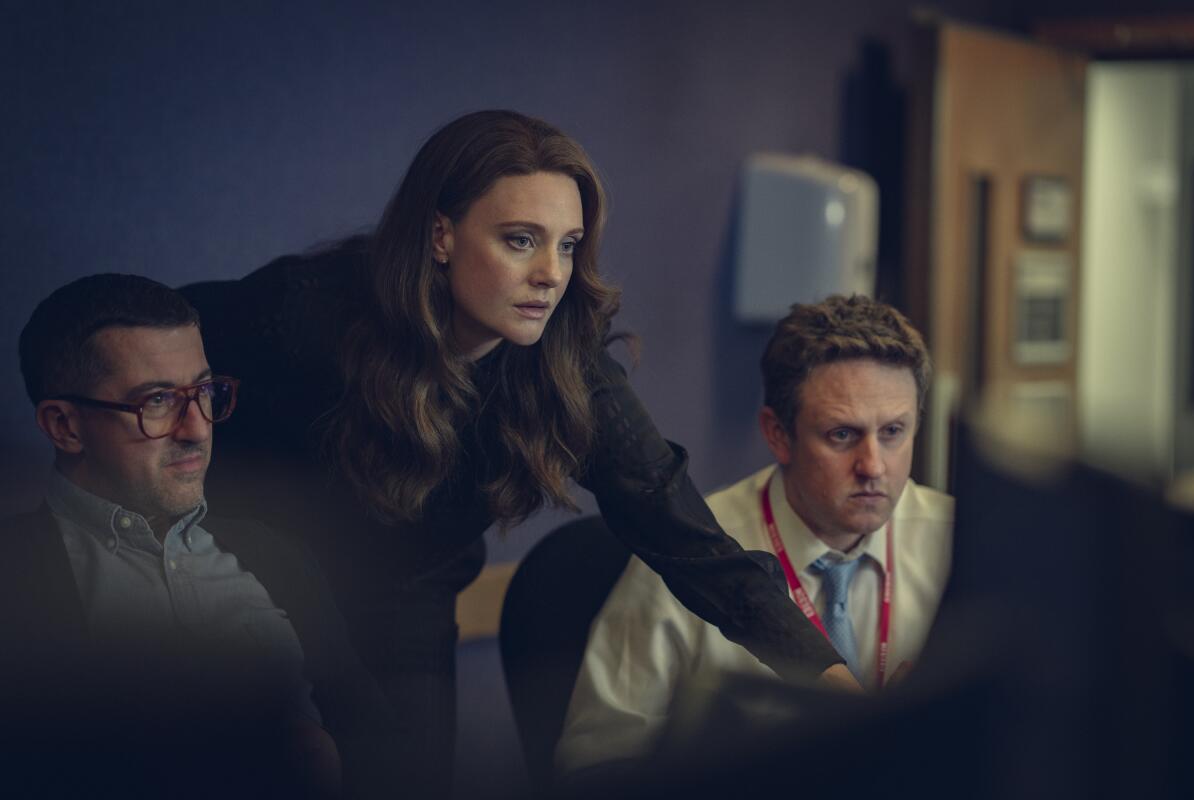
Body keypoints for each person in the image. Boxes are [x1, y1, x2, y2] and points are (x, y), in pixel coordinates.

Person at [180, 109, 854, 795]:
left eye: (567, 246)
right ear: (441, 234)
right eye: (521, 240)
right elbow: (131, 344)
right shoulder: (309, 311)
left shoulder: (567, 369)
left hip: (404, 597)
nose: (550, 274)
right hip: (256, 584)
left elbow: (689, 538)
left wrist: (836, 685)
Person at [2, 274, 398, 798]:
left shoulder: (272, 552)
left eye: (205, 391)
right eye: (159, 401)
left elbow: (378, 740)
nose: (198, 429)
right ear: (65, 427)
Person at [555, 295, 954, 775]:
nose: (873, 466)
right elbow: (595, 763)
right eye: (842, 435)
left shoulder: (963, 545)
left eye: (893, 432)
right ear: (777, 434)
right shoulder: (684, 556)